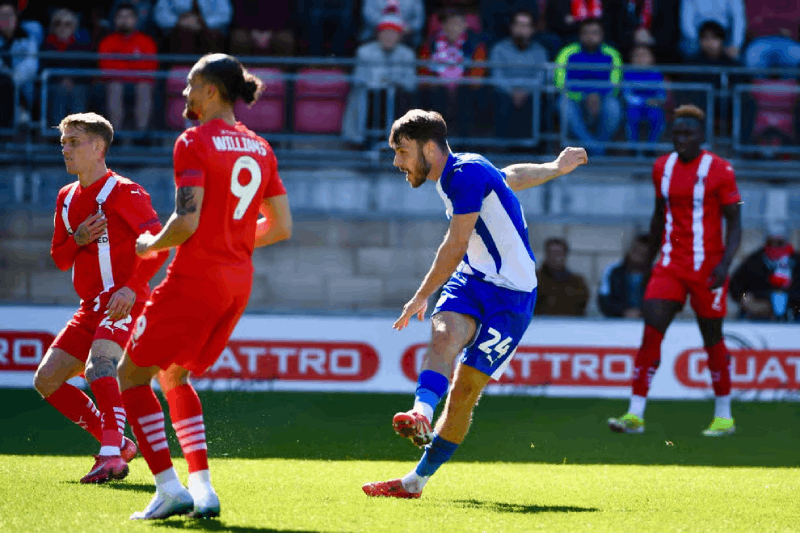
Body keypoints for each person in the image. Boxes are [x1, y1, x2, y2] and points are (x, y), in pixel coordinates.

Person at [361, 109, 587, 499]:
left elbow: (455, 244)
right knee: (443, 336)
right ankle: (420, 414)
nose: (397, 162)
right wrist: (554, 167)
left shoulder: (463, 175)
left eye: (402, 151)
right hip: (474, 279)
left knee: (465, 391)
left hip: (512, 295)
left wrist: (420, 294)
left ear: (429, 148)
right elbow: (510, 178)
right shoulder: (459, 173)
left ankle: (416, 481)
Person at [117, 53, 293, 520]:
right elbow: (280, 227)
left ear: (211, 90)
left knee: (129, 377)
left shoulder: (193, 141)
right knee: (174, 374)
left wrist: (147, 243)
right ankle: (203, 489)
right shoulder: (261, 147)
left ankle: (167, 487)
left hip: (195, 278)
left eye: (190, 86)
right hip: (237, 282)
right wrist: (232, 239)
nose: (185, 95)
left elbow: (185, 221)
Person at [33, 112, 169, 484]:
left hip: (124, 300)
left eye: (73, 142)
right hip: (90, 307)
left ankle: (110, 455)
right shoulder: (66, 197)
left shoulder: (124, 192)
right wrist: (77, 239)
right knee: (46, 380)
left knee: (100, 367)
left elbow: (159, 246)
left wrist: (131, 287)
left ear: (98, 147)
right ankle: (119, 444)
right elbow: (60, 259)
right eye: (63, 142)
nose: (65, 149)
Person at [608, 104, 743, 437]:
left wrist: (726, 264)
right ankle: (635, 414)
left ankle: (724, 416)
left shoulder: (720, 170)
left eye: (688, 133)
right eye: (677, 133)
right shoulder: (662, 168)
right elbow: (658, 216)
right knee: (651, 329)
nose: (681, 139)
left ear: (702, 136)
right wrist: (648, 257)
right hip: (669, 265)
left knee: (712, 339)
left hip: (707, 269)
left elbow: (736, 222)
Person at [342, 5, 417, 146]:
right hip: (371, 96)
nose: (388, 37)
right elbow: (359, 79)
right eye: (385, 33)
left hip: (396, 97)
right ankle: (367, 142)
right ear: (378, 34)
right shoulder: (364, 51)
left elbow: (411, 83)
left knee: (402, 98)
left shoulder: (407, 54)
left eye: (393, 33)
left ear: (399, 37)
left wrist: (391, 81)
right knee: (370, 97)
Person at [554, 18, 623, 156]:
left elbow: (616, 84)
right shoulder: (567, 52)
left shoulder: (612, 54)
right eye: (586, 33)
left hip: (602, 98)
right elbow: (559, 82)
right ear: (580, 35)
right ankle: (595, 149)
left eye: (595, 33)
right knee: (563, 105)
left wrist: (596, 95)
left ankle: (594, 147)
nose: (590, 37)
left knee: (614, 107)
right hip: (575, 98)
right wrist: (585, 95)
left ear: (602, 35)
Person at [98, 3, 158, 139]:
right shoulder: (107, 41)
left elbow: (150, 68)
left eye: (129, 16)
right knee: (115, 85)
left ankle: (141, 136)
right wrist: (133, 63)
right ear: (114, 20)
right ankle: (116, 136)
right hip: (115, 83)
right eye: (121, 16)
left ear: (136, 20)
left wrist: (122, 65)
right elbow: (106, 68)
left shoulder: (146, 41)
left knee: (144, 86)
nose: (125, 20)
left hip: (140, 83)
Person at [489, 9, 548, 141]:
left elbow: (541, 77)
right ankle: (503, 146)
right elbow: (496, 76)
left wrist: (524, 91)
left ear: (532, 29)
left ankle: (533, 147)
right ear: (511, 27)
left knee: (539, 100)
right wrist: (512, 91)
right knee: (499, 99)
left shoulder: (540, 51)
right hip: (505, 93)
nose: (521, 29)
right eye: (518, 25)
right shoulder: (499, 48)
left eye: (526, 25)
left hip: (531, 94)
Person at [729, 225, 800, 321]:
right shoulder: (755, 261)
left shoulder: (796, 261)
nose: (774, 247)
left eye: (779, 243)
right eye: (771, 243)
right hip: (760, 310)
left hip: (793, 312)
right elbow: (736, 285)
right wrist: (745, 300)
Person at [40, 8, 92, 128]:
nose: (63, 27)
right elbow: (42, 68)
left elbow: (87, 71)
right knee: (60, 91)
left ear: (74, 27)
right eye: (58, 23)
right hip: (53, 85)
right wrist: (60, 80)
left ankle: (77, 134)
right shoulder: (46, 45)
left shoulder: (82, 47)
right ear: (53, 26)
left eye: (67, 24)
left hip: (77, 84)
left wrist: (72, 80)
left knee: (78, 91)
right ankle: (56, 134)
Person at [0, 0, 38, 127]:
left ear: (16, 17)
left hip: (22, 86)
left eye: (9, 15)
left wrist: (13, 78)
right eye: (2, 16)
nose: (6, 19)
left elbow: (31, 64)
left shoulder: (27, 38)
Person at [622, 44, 666, 147]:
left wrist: (657, 101)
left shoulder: (657, 74)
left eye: (644, 55)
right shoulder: (627, 74)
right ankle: (633, 146)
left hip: (653, 106)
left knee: (657, 117)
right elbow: (626, 95)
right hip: (634, 106)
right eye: (636, 56)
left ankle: (651, 147)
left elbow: (662, 94)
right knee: (631, 116)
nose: (640, 59)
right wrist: (644, 101)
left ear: (652, 58)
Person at [598, 234, 650, 318]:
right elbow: (604, 300)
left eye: (642, 254)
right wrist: (623, 312)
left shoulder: (656, 274)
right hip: (617, 323)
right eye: (635, 251)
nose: (637, 256)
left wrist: (642, 313)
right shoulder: (612, 271)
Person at [534, 237, 589, 316]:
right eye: (551, 253)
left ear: (565, 255)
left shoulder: (577, 282)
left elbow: (582, 305)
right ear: (546, 254)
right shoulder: (534, 280)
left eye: (558, 253)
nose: (555, 257)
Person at [679, 0, 745, 61]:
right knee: (689, 48)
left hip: (724, 36)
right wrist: (701, 42)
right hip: (698, 37)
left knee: (736, 55)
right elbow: (686, 24)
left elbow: (738, 19)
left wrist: (736, 44)